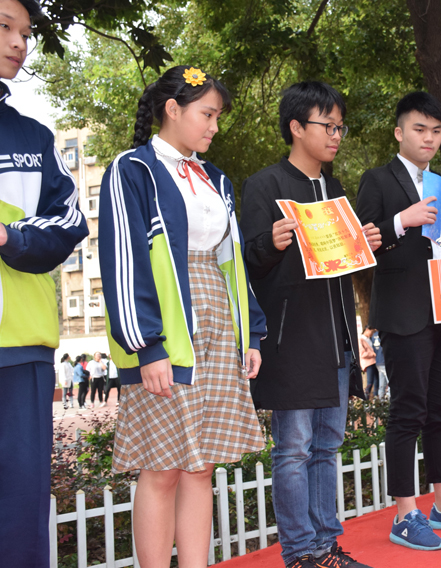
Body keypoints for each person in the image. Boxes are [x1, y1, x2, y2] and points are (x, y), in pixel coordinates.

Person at [99, 65, 267, 568]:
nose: (215, 126)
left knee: (201, 466)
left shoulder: (217, 179)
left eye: (217, 117)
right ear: (173, 109)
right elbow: (123, 260)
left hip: (218, 323)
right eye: (207, 114)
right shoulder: (133, 170)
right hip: (167, 333)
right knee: (162, 467)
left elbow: (232, 260)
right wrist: (146, 344)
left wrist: (251, 332)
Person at [240, 81, 380, 568]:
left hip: (337, 338)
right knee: (294, 449)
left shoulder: (335, 191)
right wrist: (270, 242)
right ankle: (300, 552)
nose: (336, 135)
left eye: (340, 127)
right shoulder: (265, 185)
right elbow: (247, 262)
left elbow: (341, 265)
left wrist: (364, 243)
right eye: (328, 126)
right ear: (297, 127)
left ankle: (326, 546)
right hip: (291, 339)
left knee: (327, 446)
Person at [356, 91, 441, 552]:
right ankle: (404, 515)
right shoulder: (377, 180)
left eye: (436, 131)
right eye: (420, 129)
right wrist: (402, 220)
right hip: (403, 312)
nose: (429, 138)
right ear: (399, 132)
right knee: (408, 412)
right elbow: (360, 244)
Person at [0, 4, 89, 563]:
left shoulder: (34, 138)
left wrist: (9, 236)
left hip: (20, 350)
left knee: (20, 504)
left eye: (26, 32)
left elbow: (70, 222)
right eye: (4, 27)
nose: (19, 43)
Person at [359, 328, 378, 398]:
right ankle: (366, 398)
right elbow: (362, 353)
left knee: (376, 380)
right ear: (367, 330)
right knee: (370, 381)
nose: (372, 334)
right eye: (371, 332)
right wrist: (372, 354)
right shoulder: (361, 339)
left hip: (373, 362)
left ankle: (376, 397)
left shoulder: (369, 339)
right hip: (368, 362)